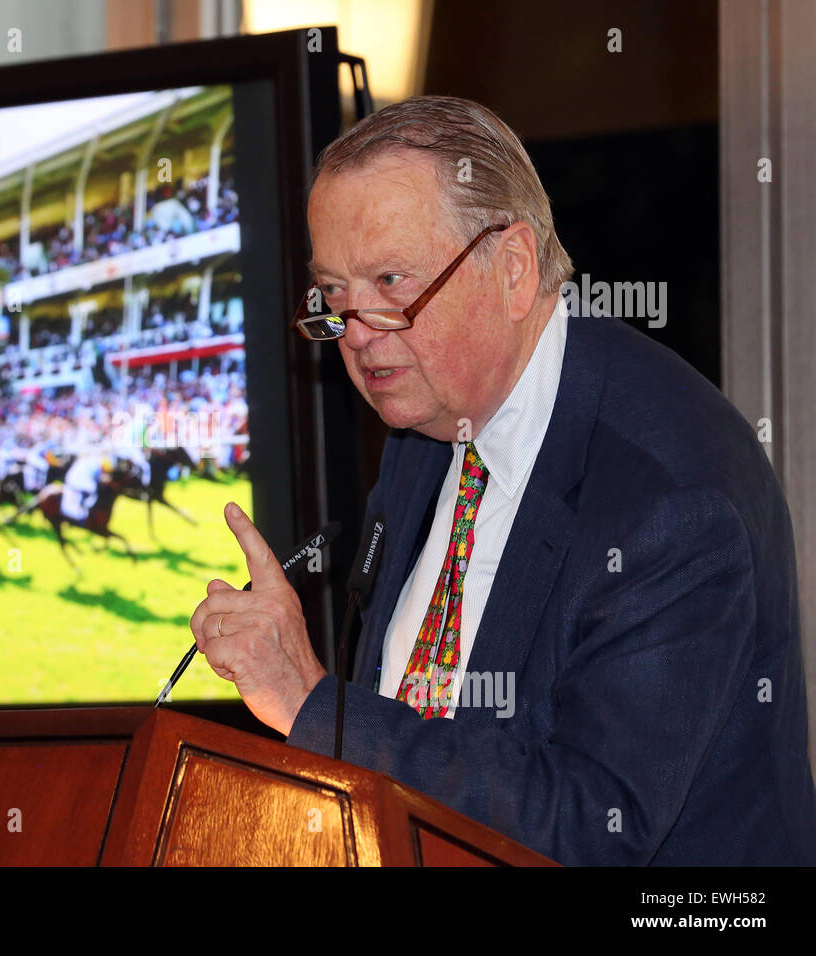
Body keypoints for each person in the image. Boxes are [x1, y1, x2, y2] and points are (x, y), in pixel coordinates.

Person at [188, 95, 816, 865]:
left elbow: (589, 828)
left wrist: (311, 704)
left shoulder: (671, 498)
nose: (356, 338)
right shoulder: (428, 415)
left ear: (513, 268)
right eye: (336, 299)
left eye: (391, 284)